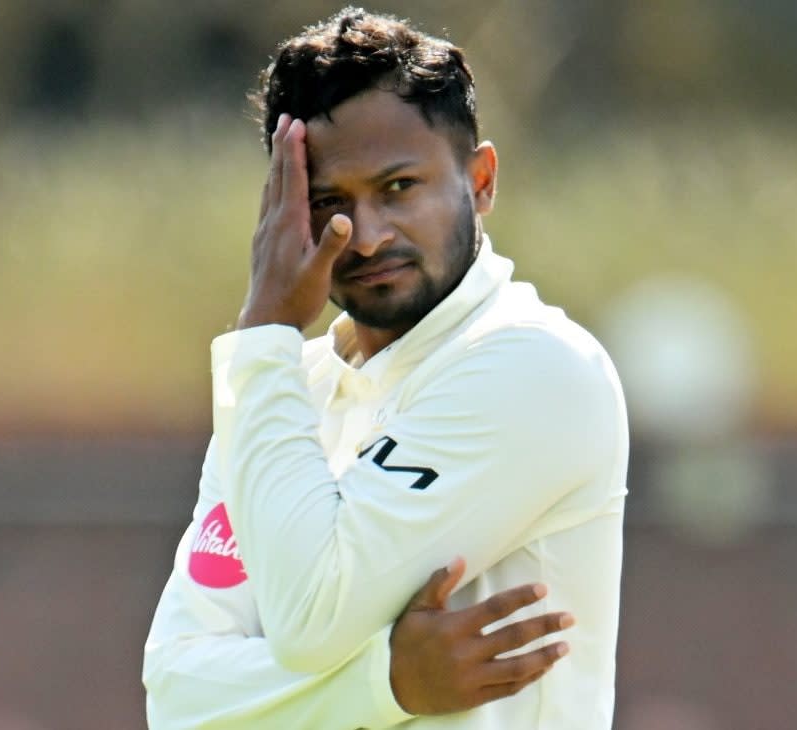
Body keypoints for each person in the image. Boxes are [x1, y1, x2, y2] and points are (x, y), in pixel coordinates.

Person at [142, 7, 629, 729]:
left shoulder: (534, 366)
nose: (366, 237)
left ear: (482, 179)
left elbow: (312, 620)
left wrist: (267, 326)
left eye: (400, 188)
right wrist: (387, 681)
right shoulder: (279, 383)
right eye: (330, 202)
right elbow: (178, 699)